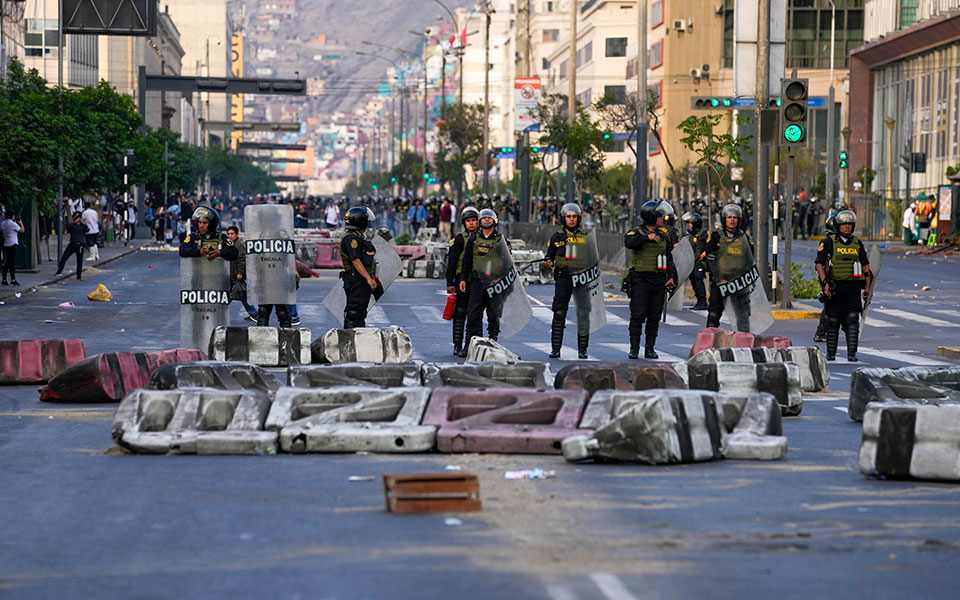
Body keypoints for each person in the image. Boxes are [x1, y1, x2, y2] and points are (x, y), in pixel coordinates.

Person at [815, 209, 872, 362]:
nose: (847, 227)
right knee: (833, 320)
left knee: (853, 320)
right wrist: (825, 283)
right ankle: (831, 353)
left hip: (853, 288)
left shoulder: (857, 243)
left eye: (850, 225)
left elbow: (866, 267)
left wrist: (867, 288)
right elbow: (819, 264)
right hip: (835, 286)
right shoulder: (828, 242)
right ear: (837, 226)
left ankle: (852, 354)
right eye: (844, 224)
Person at [623, 201, 676, 359]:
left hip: (659, 280)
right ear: (652, 217)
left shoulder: (663, 235)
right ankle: (634, 349)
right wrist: (646, 237)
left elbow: (669, 258)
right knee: (638, 315)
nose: (662, 219)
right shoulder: (636, 232)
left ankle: (650, 348)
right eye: (660, 216)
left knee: (654, 317)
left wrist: (671, 276)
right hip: (641, 279)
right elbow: (629, 243)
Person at [543, 203, 590, 359]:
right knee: (559, 312)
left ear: (578, 218)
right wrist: (548, 261)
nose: (571, 220)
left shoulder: (585, 237)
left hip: (581, 278)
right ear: (564, 219)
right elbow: (549, 255)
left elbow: (593, 259)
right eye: (568, 217)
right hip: (563, 277)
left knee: (583, 314)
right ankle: (556, 349)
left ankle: (582, 350)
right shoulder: (557, 236)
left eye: (574, 217)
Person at [459, 208, 509, 349]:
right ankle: (468, 346)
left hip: (495, 284)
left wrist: (500, 279)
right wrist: (463, 279)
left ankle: (493, 344)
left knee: (493, 316)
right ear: (480, 221)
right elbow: (466, 261)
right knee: (473, 315)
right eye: (484, 217)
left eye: (489, 217)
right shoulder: (473, 240)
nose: (487, 219)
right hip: (477, 282)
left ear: (495, 221)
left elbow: (507, 263)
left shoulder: (501, 240)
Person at [703, 204, 753, 329]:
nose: (732, 220)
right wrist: (720, 278)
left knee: (743, 316)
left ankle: (743, 343)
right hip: (720, 283)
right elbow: (710, 259)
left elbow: (750, 261)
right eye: (729, 217)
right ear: (724, 219)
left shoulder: (744, 238)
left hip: (739, 284)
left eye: (735, 218)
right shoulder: (715, 237)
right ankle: (711, 342)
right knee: (714, 314)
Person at [445, 205, 479, 357]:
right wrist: (450, 282)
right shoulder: (459, 239)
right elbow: (451, 262)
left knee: (476, 313)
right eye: (468, 221)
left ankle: (476, 344)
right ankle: (457, 344)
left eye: (474, 220)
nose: (471, 223)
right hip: (461, 279)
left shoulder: (483, 238)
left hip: (478, 279)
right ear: (464, 223)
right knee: (460, 312)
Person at [339, 206, 379, 328]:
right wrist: (368, 278)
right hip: (355, 280)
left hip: (360, 280)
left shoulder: (358, 237)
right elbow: (355, 261)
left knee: (361, 313)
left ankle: (359, 340)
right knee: (353, 312)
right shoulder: (351, 239)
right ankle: (349, 340)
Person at [226, 225, 259, 322]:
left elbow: (242, 259)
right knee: (239, 294)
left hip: (237, 274)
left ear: (237, 234)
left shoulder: (239, 244)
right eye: (228, 234)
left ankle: (255, 314)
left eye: (232, 234)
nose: (230, 236)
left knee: (238, 294)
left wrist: (240, 273)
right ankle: (254, 314)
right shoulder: (230, 244)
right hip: (231, 273)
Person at [681, 211, 709, 310]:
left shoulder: (704, 233)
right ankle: (699, 301)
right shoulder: (691, 234)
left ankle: (703, 302)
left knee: (698, 280)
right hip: (692, 261)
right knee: (693, 280)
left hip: (699, 261)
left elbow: (710, 245)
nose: (689, 225)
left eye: (690, 223)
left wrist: (705, 252)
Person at [55, 212, 89, 280]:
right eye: (76, 217)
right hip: (72, 243)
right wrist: (74, 223)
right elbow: (68, 229)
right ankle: (59, 271)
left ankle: (79, 276)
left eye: (78, 217)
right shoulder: (72, 225)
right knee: (64, 257)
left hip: (80, 244)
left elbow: (87, 230)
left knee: (79, 261)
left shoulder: (83, 226)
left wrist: (82, 223)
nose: (77, 219)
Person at [1, 209, 24, 285]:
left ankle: (4, 278)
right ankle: (12, 279)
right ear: (12, 216)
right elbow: (22, 230)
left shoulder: (3, 223)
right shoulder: (13, 224)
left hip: (6, 243)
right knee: (11, 263)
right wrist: (20, 223)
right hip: (12, 244)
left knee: (7, 261)